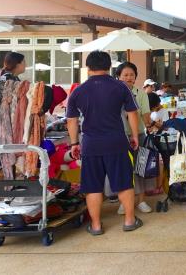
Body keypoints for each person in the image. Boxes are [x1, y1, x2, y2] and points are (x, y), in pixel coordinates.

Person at [66, 51, 143, 236]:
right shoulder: (121, 87)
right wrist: (135, 136)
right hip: (116, 141)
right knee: (124, 182)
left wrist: (74, 143)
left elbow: (71, 120)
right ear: (109, 67)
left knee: (92, 185)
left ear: (88, 67)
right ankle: (130, 220)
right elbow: (132, 113)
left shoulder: (78, 91)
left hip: (91, 144)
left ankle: (96, 225)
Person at [113, 62, 154, 215]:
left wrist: (150, 123)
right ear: (118, 76)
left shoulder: (141, 94)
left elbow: (146, 115)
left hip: (140, 135)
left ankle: (141, 200)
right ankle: (124, 201)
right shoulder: (113, 93)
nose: (129, 77)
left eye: (132, 75)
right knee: (123, 170)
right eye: (125, 75)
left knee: (141, 168)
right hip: (120, 137)